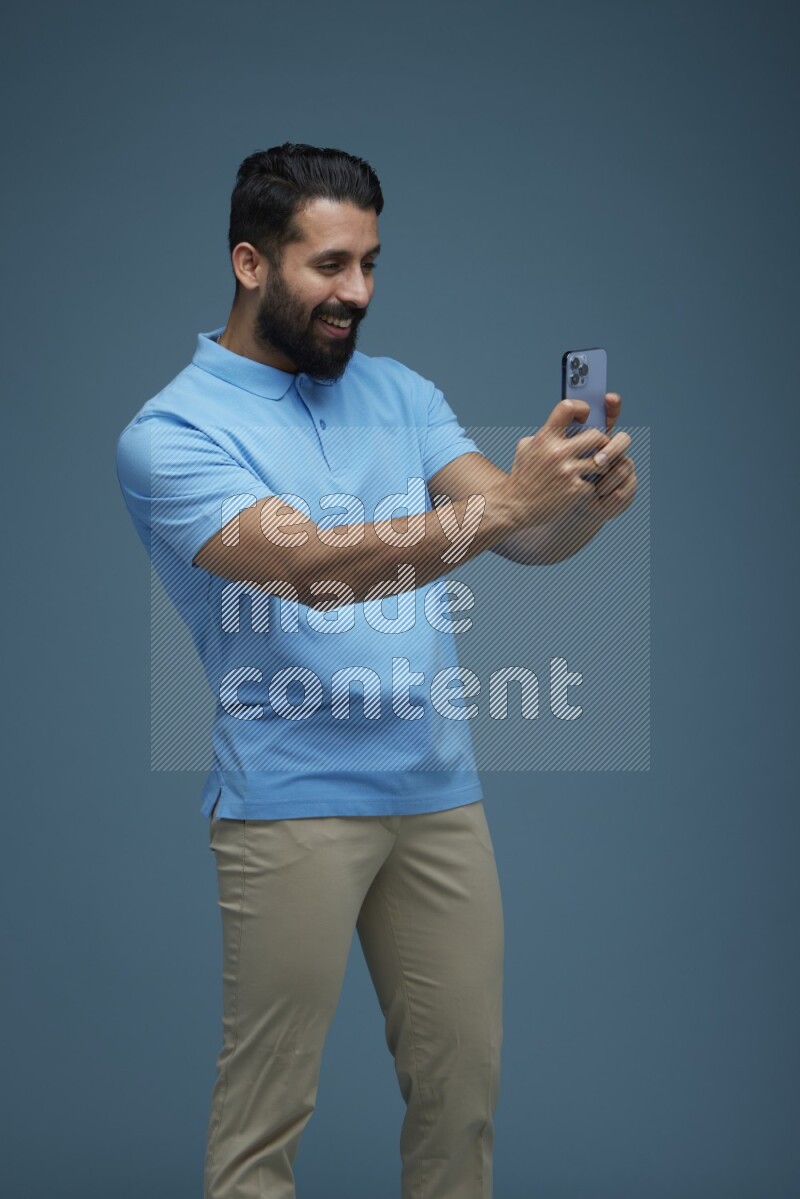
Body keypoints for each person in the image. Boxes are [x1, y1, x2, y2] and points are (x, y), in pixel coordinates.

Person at [115, 142, 636, 1199]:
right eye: (330, 264)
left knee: (462, 1096)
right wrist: (506, 508)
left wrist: (576, 504)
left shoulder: (397, 392)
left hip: (438, 793)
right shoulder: (170, 432)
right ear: (251, 262)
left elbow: (520, 541)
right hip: (288, 798)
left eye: (371, 264)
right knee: (267, 1116)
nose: (356, 292)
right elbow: (307, 569)